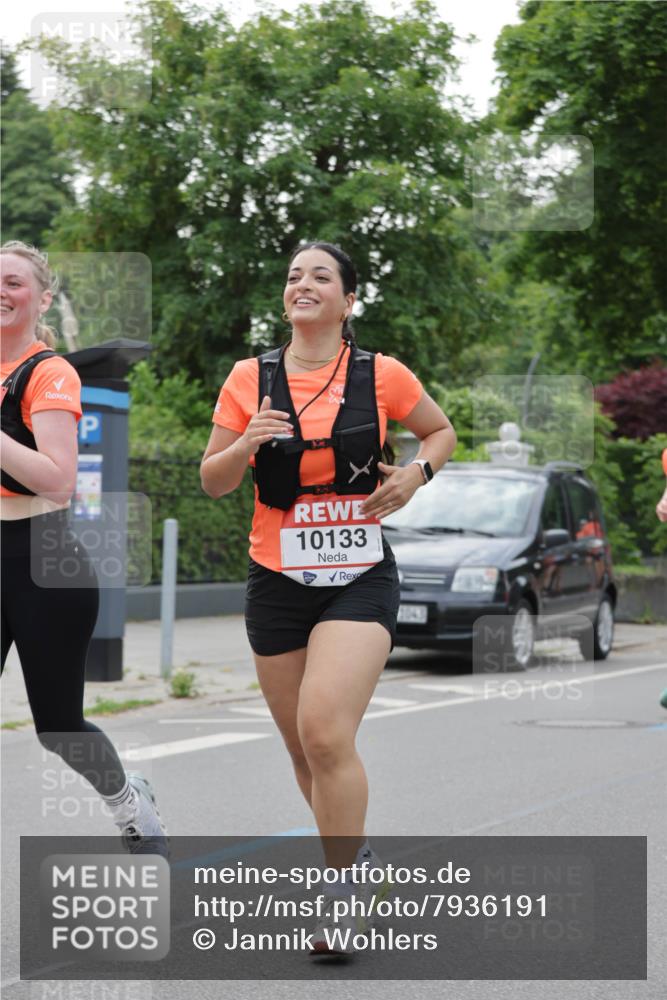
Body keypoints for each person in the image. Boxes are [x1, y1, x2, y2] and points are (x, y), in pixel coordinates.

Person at [201, 241, 456, 954]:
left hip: (360, 575)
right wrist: (245, 443)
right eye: (293, 276)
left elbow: (440, 432)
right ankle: (359, 861)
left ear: (348, 301)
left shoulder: (382, 374)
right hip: (275, 577)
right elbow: (213, 481)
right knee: (302, 750)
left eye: (320, 276)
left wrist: (415, 475)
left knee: (323, 730)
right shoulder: (248, 377)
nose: (302, 284)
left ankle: (341, 894)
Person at [0, 241, 167, 854]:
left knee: (59, 727)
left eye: (14, 282)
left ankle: (129, 803)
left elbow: (59, 479)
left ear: (42, 299)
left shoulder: (49, 373)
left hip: (43, 560)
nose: (1, 292)